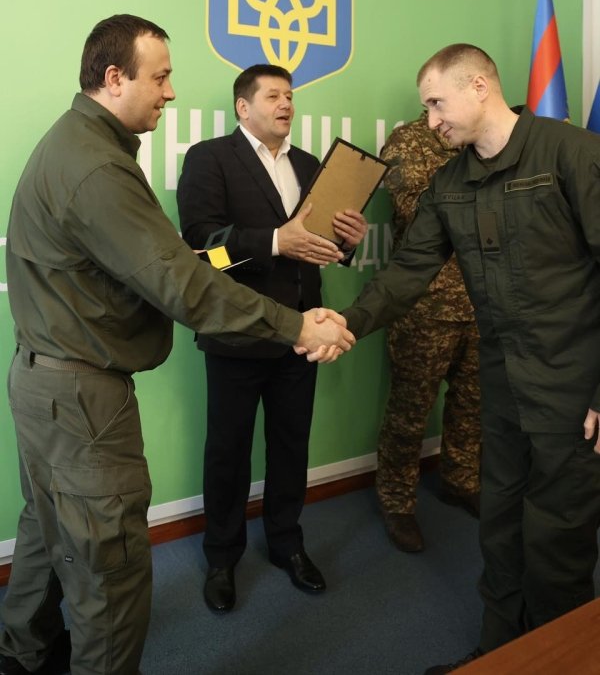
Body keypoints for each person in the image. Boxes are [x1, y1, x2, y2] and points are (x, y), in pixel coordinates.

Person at [0, 16, 354, 675]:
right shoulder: (102, 165)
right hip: (83, 396)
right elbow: (186, 278)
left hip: (48, 381)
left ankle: (24, 654)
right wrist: (300, 326)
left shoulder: (81, 143)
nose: (169, 92)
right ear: (115, 78)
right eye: (159, 77)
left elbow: (162, 264)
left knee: (48, 531)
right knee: (112, 571)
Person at [340, 44, 600, 675]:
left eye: (437, 103)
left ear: (480, 86)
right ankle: (501, 651)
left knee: (558, 538)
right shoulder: (450, 183)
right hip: (502, 380)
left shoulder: (571, 153)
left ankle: (556, 661)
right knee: (500, 523)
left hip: (572, 386)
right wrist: (344, 324)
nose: (430, 121)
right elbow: (408, 271)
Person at [176, 63, 367, 613]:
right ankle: (222, 556)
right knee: (228, 451)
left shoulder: (309, 165)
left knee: (291, 445)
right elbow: (202, 247)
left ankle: (287, 543)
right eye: (274, 96)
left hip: (302, 334)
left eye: (290, 96)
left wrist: (349, 241)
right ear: (244, 106)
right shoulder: (210, 158)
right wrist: (276, 242)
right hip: (236, 335)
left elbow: (321, 244)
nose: (286, 104)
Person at [377, 111, 481, 554]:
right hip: (426, 305)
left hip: (480, 302)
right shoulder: (409, 142)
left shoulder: (479, 138)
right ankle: (397, 501)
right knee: (409, 412)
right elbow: (418, 211)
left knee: (472, 404)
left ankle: (461, 479)